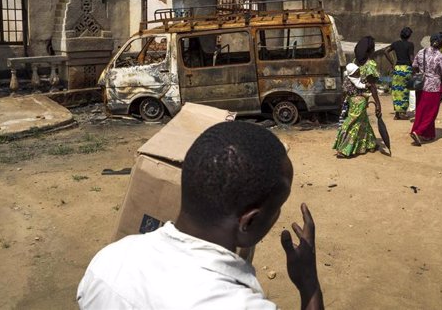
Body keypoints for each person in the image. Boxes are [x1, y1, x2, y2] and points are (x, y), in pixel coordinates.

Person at [77, 121, 324, 310]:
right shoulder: (238, 304)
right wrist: (309, 284)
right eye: (277, 207)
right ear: (249, 221)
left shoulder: (110, 259)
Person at [333, 36, 382, 158]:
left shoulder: (355, 62)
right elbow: (372, 86)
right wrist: (378, 103)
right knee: (352, 123)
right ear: (370, 50)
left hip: (351, 98)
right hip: (360, 100)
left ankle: (370, 144)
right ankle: (344, 149)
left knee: (363, 121)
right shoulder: (370, 65)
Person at [410, 33, 442, 146]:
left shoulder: (421, 52)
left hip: (420, 85)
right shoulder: (441, 57)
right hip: (433, 87)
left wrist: (421, 74)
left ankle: (428, 134)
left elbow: (414, 67)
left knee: (421, 109)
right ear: (439, 43)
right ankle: (417, 132)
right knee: (431, 112)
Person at [384, 27, 415, 120]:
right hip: (406, 69)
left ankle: (397, 114)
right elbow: (411, 58)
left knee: (397, 91)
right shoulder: (410, 44)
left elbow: (385, 51)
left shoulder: (395, 44)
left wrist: (392, 63)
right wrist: (415, 69)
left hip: (397, 69)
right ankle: (403, 113)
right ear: (409, 36)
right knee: (405, 91)